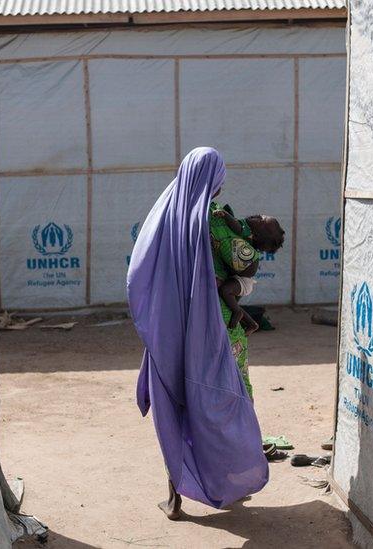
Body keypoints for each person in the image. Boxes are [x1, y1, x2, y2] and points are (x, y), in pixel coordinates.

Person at [128, 147, 268, 521]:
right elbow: (247, 261)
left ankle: (174, 496)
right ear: (215, 181)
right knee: (225, 402)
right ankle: (232, 479)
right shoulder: (215, 221)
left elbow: (137, 272)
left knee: (176, 408)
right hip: (216, 330)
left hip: (170, 332)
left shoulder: (162, 218)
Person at [209, 202, 285, 398]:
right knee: (227, 291)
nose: (258, 217)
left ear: (256, 235)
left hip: (243, 282)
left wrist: (225, 216)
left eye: (262, 222)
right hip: (240, 280)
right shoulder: (243, 229)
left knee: (226, 291)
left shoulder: (242, 230)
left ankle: (237, 313)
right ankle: (250, 323)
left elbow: (233, 227)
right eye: (261, 216)